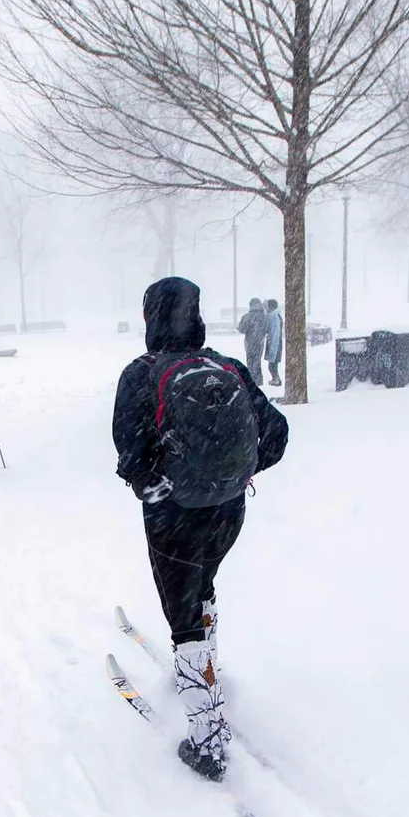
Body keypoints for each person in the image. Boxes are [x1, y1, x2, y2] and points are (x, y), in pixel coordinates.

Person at [112, 277, 288, 781]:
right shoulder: (227, 367)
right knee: (203, 586)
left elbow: (130, 455)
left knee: (183, 617)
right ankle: (204, 671)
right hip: (228, 513)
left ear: (151, 317)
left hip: (173, 517)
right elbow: (276, 434)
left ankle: (207, 741)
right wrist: (233, 475)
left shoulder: (141, 374)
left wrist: (163, 486)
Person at [236, 296, 268, 385]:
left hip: (249, 343)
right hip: (260, 343)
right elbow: (266, 329)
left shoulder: (247, 316)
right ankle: (258, 381)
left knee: (250, 361)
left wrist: (239, 328)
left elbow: (242, 329)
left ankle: (251, 381)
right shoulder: (264, 316)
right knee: (257, 362)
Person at [264, 298, 283, 387]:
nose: (266, 308)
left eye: (267, 306)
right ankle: (275, 379)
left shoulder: (274, 317)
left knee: (272, 364)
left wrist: (273, 348)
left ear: (271, 307)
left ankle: (276, 380)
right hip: (273, 343)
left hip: (274, 344)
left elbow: (275, 333)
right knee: (272, 364)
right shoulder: (273, 316)